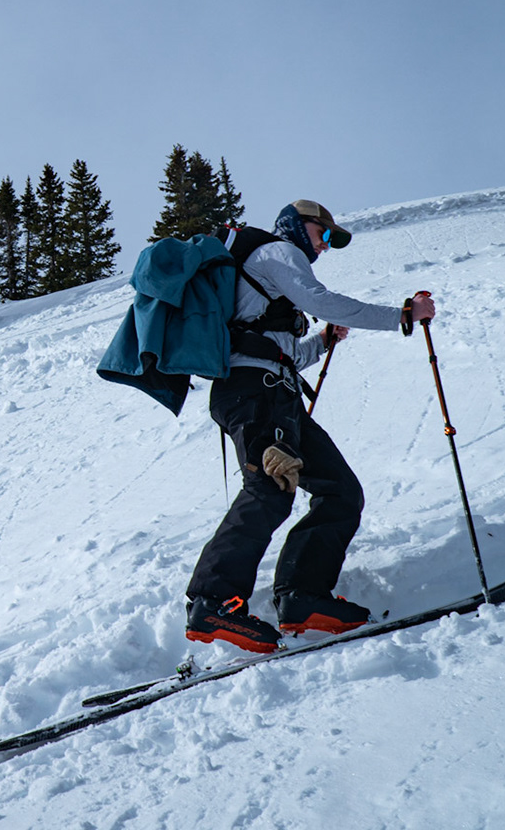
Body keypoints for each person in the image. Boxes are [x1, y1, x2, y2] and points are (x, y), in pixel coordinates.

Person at [184, 200, 435, 653]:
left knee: (340, 491)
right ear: (298, 225)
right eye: (325, 234)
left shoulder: (268, 276)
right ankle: (212, 602)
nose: (325, 246)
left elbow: (279, 353)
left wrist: (321, 341)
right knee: (270, 488)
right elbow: (320, 301)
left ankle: (303, 596)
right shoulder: (278, 252)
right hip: (254, 393)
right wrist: (402, 314)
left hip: (274, 394)